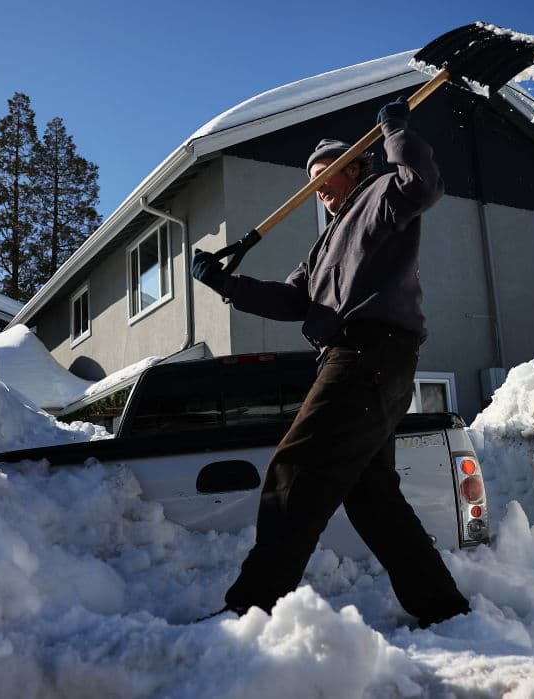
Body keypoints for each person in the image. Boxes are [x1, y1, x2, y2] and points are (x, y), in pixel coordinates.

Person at [191, 96, 471, 628]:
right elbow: (292, 301)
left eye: (328, 175)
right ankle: (444, 609)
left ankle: (252, 606)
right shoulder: (323, 247)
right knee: (372, 498)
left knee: (295, 467)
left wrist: (397, 132)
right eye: (312, 179)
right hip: (360, 363)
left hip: (370, 353)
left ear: (357, 169)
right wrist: (226, 284)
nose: (318, 187)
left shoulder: (381, 198)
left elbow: (423, 183)